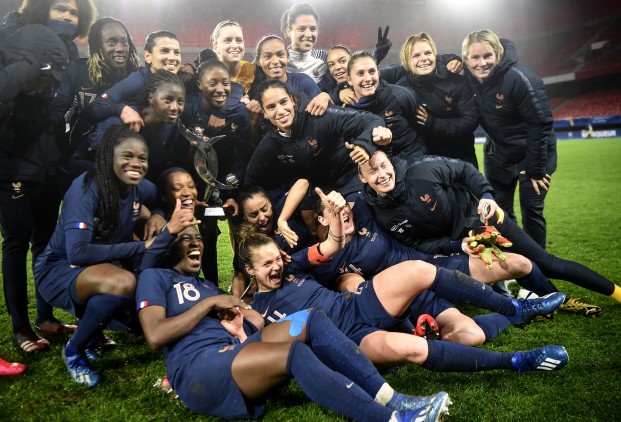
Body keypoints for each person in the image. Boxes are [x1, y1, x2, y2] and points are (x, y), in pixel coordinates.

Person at [136, 225, 452, 421]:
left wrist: (240, 329)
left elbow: (247, 337)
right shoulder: (155, 277)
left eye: (197, 236)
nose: (196, 242)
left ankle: (392, 398)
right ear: (167, 246)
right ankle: (393, 420)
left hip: (229, 358)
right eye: (185, 238)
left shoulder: (209, 287)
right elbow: (155, 335)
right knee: (296, 355)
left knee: (311, 320)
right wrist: (209, 305)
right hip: (201, 372)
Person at [242, 188, 568, 375]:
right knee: (415, 348)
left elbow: (330, 245)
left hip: (362, 305)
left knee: (419, 270)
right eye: (266, 263)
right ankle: (518, 361)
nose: (276, 266)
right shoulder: (254, 308)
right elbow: (251, 342)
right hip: (351, 336)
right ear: (249, 271)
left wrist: (336, 219)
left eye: (277, 258)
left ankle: (514, 307)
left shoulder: (295, 265)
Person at [34, 124, 195, 387]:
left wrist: (156, 214)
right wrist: (143, 246)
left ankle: (94, 333)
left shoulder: (140, 188)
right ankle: (74, 351)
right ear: (109, 157)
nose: (136, 163)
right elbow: (78, 251)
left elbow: (156, 199)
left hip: (103, 268)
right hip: (60, 270)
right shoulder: (85, 188)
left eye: (142, 158)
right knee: (125, 283)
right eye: (127, 156)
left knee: (144, 278)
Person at [357, 150, 621, 309]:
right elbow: (416, 243)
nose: (381, 174)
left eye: (383, 166)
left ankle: (617, 292)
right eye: (371, 171)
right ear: (362, 178)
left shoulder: (422, 170)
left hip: (485, 218)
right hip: (464, 243)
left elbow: (464, 170)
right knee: (518, 266)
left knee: (547, 263)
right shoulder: (380, 213)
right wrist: (454, 246)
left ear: (391, 163)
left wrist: (486, 195)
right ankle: (556, 300)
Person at [0, 17, 85, 354]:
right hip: (13, 173)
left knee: (45, 245)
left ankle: (45, 318)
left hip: (48, 172)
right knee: (16, 244)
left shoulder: (51, 86)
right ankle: (20, 326)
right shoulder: (14, 76)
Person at [461, 29, 555, 249]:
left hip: (533, 154)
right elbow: (438, 65)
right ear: (465, 60)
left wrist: (535, 168)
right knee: (500, 211)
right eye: (475, 57)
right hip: (499, 153)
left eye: (487, 56)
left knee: (531, 211)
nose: (481, 63)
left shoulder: (520, 78)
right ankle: (514, 262)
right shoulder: (466, 77)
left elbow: (540, 124)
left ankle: (536, 271)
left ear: (498, 54)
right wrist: (449, 62)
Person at [244, 80, 391, 203]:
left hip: (349, 178)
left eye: (284, 102)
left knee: (357, 211)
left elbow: (371, 119)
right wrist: (238, 200)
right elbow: (251, 179)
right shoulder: (271, 142)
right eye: (271, 107)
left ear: (293, 101)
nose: (280, 111)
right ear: (264, 112)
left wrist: (364, 145)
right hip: (318, 191)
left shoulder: (319, 116)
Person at [50, 17, 142, 193]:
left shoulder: (135, 76)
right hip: (80, 155)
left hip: (121, 160)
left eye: (124, 42)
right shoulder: (78, 70)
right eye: (112, 42)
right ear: (97, 45)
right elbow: (55, 112)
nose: (120, 48)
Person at [181, 59, 249, 283]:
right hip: (190, 182)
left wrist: (231, 191)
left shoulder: (238, 112)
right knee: (190, 233)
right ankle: (188, 283)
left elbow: (240, 155)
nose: (220, 89)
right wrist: (189, 193)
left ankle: (216, 283)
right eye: (213, 83)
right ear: (200, 84)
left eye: (225, 83)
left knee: (212, 231)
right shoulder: (187, 107)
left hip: (222, 180)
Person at [381, 32, 479, 167]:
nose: (423, 59)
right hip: (425, 162)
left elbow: (470, 120)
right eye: (416, 55)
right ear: (407, 62)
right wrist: (342, 89)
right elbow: (369, 78)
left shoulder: (455, 79)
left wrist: (433, 123)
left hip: (461, 158)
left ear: (435, 55)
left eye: (428, 53)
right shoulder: (401, 88)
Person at [280, 2, 392, 92]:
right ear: (289, 31)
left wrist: (376, 56)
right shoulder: (279, 61)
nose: (309, 34)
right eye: (302, 28)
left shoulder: (325, 58)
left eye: (313, 29)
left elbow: (353, 70)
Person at [83, 30, 181, 131]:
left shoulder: (179, 82)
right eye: (165, 51)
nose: (172, 57)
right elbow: (93, 108)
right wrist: (121, 109)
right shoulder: (136, 81)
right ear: (148, 57)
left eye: (176, 52)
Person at [231, 184, 316, 301]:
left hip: (315, 271)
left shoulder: (283, 211)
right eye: (253, 215)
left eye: (264, 209)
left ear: (270, 203)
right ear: (245, 217)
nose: (262, 217)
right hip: (283, 289)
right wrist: (236, 304)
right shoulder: (247, 240)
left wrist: (282, 220)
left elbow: (303, 183)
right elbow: (239, 275)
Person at [343, 51, 428, 161]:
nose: (368, 78)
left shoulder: (400, 95)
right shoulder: (348, 113)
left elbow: (424, 131)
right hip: (381, 171)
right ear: (349, 79)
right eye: (360, 73)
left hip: (414, 160)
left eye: (372, 72)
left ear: (378, 74)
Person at [211, 20, 255, 93]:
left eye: (239, 40)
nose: (235, 45)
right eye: (228, 40)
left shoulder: (253, 72)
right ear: (215, 47)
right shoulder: (206, 76)